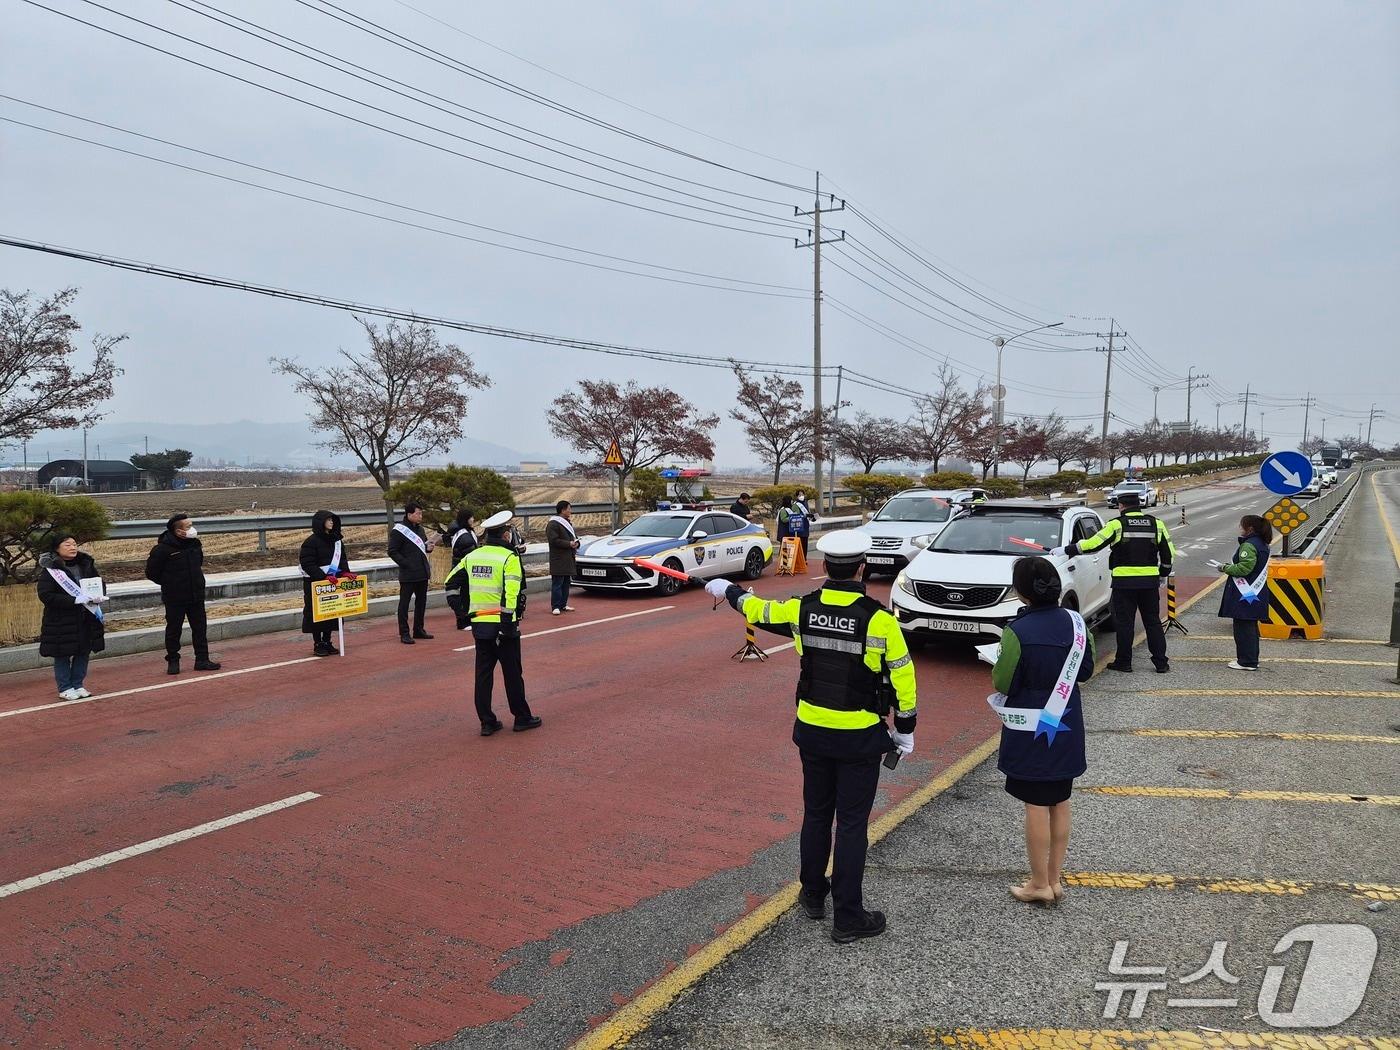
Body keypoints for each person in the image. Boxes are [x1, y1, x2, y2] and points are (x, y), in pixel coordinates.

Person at [703, 531, 917, 944]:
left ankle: (813, 895)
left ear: (823, 568)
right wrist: (904, 731)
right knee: (852, 825)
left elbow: (757, 609)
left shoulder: (802, 609)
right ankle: (849, 916)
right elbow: (904, 680)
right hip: (859, 738)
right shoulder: (880, 620)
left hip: (813, 732)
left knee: (817, 814)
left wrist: (727, 589)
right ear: (862, 569)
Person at [988, 556, 1095, 906]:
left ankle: (1038, 884)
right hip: (1066, 719)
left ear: (1022, 592)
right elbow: (1085, 671)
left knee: (1035, 803)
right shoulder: (1077, 624)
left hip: (1031, 723)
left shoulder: (1016, 632)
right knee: (1060, 800)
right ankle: (1054, 879)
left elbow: (1004, 680)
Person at [1057, 490, 1175, 673]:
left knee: (1125, 623)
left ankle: (1124, 662)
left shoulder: (1117, 525)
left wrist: (1066, 549)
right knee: (1152, 622)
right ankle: (1161, 663)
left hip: (1124, 583)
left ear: (1121, 506)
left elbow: (1093, 544)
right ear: (1139, 505)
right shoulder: (1156, 524)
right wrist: (1163, 573)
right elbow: (1169, 553)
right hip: (1149, 583)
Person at [460, 510, 541, 736]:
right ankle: (522, 718)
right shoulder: (509, 558)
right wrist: (507, 624)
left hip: (480, 626)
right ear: (505, 535)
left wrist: (465, 613)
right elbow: (512, 594)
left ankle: (487, 722)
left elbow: (451, 583)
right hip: (505, 627)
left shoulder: (473, 556)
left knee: (483, 675)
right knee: (513, 673)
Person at [144, 514, 220, 675]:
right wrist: (170, 583)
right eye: (188, 526)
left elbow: (198, 564)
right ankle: (173, 660)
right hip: (174, 597)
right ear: (178, 531)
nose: (192, 529)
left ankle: (202, 660)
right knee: (174, 630)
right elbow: (151, 573)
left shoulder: (194, 545)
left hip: (196, 595)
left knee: (199, 628)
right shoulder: (162, 549)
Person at [37, 533, 106, 700]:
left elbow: (99, 584)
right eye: (67, 544)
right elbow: (46, 595)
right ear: (57, 549)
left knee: (83, 651)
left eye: (74, 543)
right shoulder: (51, 570)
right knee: (62, 654)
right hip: (61, 620)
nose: (72, 547)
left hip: (86, 617)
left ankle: (78, 684)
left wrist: (100, 595)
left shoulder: (86, 564)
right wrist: (74, 599)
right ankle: (65, 687)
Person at [1217, 514, 1273, 671]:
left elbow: (1244, 569)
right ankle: (1250, 658)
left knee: (1243, 628)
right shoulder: (1261, 543)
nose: (1240, 528)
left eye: (1242, 526)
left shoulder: (1249, 545)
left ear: (1250, 529)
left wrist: (1225, 568)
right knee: (1250, 627)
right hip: (1253, 593)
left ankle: (1247, 661)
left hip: (1246, 593)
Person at [299, 510, 351, 657]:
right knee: (316, 613)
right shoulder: (311, 542)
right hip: (315, 583)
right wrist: (323, 577)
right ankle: (318, 643)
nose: (331, 522)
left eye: (333, 520)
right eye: (328, 520)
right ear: (320, 522)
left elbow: (342, 560)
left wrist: (345, 572)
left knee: (332, 610)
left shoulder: (337, 541)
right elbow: (307, 563)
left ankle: (327, 640)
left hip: (333, 582)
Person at [388, 502, 435, 644]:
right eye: (418, 513)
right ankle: (404, 633)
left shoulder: (420, 530)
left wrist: (430, 548)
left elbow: (424, 547)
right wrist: (406, 564)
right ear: (409, 514)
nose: (421, 516)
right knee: (404, 604)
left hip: (422, 572)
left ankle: (418, 629)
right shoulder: (398, 531)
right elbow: (392, 551)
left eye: (421, 513)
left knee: (421, 603)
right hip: (408, 574)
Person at [444, 509, 479, 630]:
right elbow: (470, 553)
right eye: (471, 517)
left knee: (466, 593)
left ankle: (464, 620)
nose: (473, 520)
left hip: (463, 567)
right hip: (462, 567)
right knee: (453, 589)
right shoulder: (465, 535)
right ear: (466, 519)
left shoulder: (461, 532)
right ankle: (462, 618)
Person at [545, 499, 579, 615]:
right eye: (569, 508)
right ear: (563, 510)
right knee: (557, 583)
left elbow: (574, 537)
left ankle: (563, 604)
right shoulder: (553, 524)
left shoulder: (567, 523)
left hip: (568, 558)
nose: (570, 511)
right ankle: (555, 606)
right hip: (558, 559)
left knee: (566, 583)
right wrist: (569, 544)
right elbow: (553, 540)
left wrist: (576, 543)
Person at [790, 490, 815, 556]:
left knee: (805, 543)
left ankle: (805, 558)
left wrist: (812, 517)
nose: (801, 496)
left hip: (806, 525)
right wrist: (804, 516)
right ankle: (801, 558)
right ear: (797, 496)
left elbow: (808, 512)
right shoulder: (795, 505)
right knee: (800, 543)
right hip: (799, 527)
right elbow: (795, 516)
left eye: (802, 494)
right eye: (799, 495)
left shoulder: (806, 503)